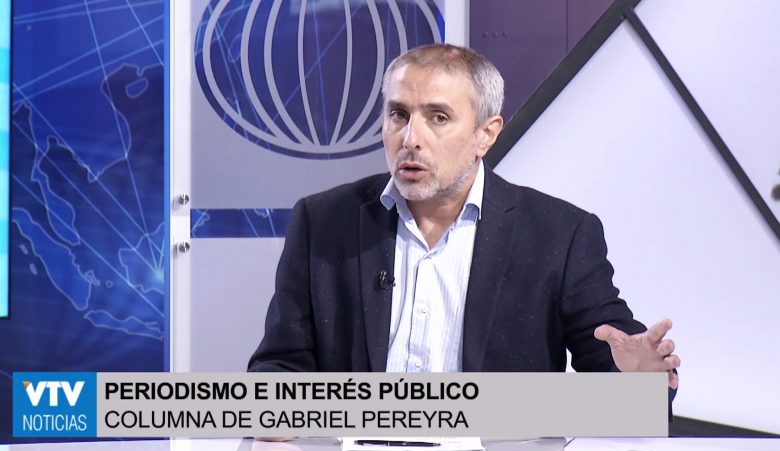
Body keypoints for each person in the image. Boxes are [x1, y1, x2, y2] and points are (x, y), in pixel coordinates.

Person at [248, 44, 680, 390]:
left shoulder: (558, 235)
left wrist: (639, 381)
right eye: (398, 114)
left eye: (438, 118)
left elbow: (615, 365)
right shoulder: (323, 222)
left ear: (485, 135)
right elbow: (280, 364)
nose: (410, 138)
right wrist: (274, 409)